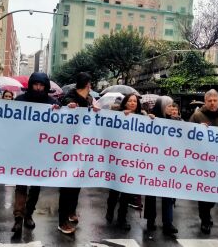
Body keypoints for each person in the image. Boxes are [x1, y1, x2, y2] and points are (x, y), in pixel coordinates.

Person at [11, 72, 59, 236]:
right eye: (35, 85)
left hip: (41, 151)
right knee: (21, 185)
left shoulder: (52, 103)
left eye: (41, 85)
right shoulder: (20, 101)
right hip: (22, 150)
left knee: (35, 186)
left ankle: (28, 214)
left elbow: (61, 124)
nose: (38, 88)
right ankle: (18, 218)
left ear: (45, 87)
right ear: (31, 85)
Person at [58, 72, 99, 234]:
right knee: (67, 185)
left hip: (83, 148)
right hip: (68, 149)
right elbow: (63, 110)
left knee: (76, 184)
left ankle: (71, 212)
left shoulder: (89, 100)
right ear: (88, 84)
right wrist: (69, 108)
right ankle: (62, 222)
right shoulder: (69, 99)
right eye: (90, 84)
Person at [189, 89, 218, 234]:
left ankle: (206, 212)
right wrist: (196, 130)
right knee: (204, 192)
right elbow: (187, 135)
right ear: (205, 101)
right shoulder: (197, 116)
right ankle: (205, 220)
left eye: (215, 100)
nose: (212, 103)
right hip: (201, 163)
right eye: (209, 101)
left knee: (213, 194)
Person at [106, 93, 145, 230]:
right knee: (115, 190)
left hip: (133, 161)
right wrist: (122, 116)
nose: (133, 103)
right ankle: (110, 211)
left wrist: (152, 119)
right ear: (125, 103)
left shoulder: (142, 117)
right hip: (118, 159)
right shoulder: (118, 115)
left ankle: (122, 218)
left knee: (126, 192)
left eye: (135, 101)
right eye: (130, 101)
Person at [144, 95, 179, 236]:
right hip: (154, 162)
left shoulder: (176, 122)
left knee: (168, 194)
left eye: (172, 105)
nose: (171, 108)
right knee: (151, 194)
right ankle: (150, 220)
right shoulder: (151, 120)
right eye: (169, 105)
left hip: (169, 164)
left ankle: (168, 222)